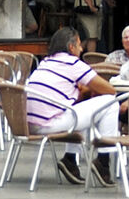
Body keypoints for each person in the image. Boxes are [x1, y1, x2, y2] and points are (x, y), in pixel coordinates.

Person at [24, 27, 120, 186]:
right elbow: (109, 90)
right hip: (49, 124)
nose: (82, 48)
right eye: (79, 44)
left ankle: (70, 160)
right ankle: (103, 162)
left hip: (30, 125)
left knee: (79, 108)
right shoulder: (73, 63)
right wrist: (88, 88)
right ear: (71, 47)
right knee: (111, 103)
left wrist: (83, 90)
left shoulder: (46, 62)